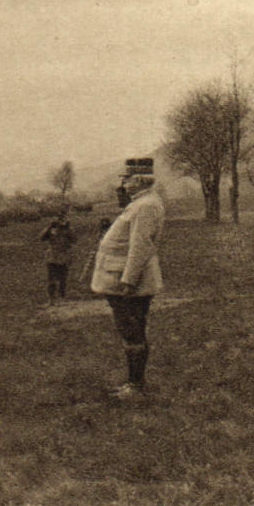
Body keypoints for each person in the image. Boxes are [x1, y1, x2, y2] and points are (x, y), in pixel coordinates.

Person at [89, 157, 165, 399]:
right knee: (132, 330)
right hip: (125, 279)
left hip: (129, 283)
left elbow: (140, 246)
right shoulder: (141, 204)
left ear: (140, 180)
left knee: (132, 331)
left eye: (127, 178)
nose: (122, 183)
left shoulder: (146, 206)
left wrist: (128, 281)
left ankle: (135, 386)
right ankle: (135, 384)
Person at [37, 205, 77, 302]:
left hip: (64, 256)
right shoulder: (51, 229)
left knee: (63, 279)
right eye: (59, 217)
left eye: (62, 217)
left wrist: (67, 229)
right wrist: (49, 227)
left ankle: (62, 297)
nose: (60, 220)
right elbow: (41, 238)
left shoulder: (68, 229)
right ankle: (51, 299)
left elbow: (75, 240)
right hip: (52, 256)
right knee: (51, 280)